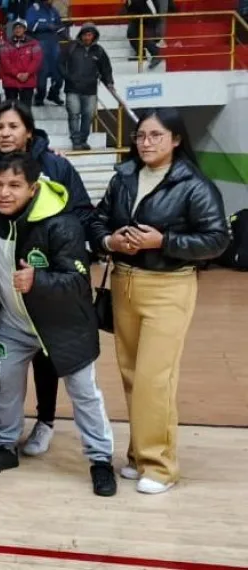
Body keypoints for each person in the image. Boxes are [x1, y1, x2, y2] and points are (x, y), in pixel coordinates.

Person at [91, 108, 229, 494]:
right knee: (133, 376)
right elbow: (99, 220)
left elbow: (217, 240)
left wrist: (163, 241)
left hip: (169, 286)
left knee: (155, 379)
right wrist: (109, 242)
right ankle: (139, 455)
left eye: (155, 135)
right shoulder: (125, 177)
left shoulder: (193, 184)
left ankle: (161, 465)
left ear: (176, 140)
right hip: (124, 283)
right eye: (140, 136)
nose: (146, 143)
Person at [0, 100, 93, 463]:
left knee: (49, 362)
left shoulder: (56, 165)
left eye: (13, 126)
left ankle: (46, 421)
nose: (5, 133)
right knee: (5, 368)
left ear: (28, 132)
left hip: (45, 288)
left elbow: (79, 213)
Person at [0, 153, 117, 498]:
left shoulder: (62, 224)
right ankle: (5, 447)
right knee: (6, 385)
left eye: (14, 186)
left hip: (64, 325)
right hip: (14, 323)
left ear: (33, 188)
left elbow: (78, 280)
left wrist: (38, 280)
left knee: (84, 392)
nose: (4, 193)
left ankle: (100, 461)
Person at [60, 23, 114, 151]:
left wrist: (110, 83)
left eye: (90, 35)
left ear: (94, 36)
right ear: (81, 34)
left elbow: (106, 69)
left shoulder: (99, 51)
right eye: (85, 34)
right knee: (73, 114)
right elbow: (60, 64)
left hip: (90, 90)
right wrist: (67, 77)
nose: (87, 37)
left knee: (88, 115)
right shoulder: (71, 47)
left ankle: (83, 140)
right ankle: (75, 141)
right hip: (72, 88)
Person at [26, 0, 64, 106]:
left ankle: (54, 93)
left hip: (54, 44)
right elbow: (30, 26)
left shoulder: (54, 10)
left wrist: (62, 30)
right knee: (42, 72)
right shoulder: (34, 8)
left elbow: (59, 26)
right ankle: (40, 96)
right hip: (40, 43)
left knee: (58, 73)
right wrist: (47, 26)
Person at [0, 19, 42, 106]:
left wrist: (27, 74)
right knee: (11, 110)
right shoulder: (6, 44)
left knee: (25, 111)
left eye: (20, 27)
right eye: (16, 28)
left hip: (28, 81)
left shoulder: (34, 44)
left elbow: (36, 60)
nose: (18, 30)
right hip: (10, 82)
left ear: (25, 29)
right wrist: (16, 74)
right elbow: (4, 61)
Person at [124, 0, 163, 70]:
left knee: (144, 37)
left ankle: (156, 55)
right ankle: (141, 54)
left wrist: (154, 17)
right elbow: (130, 8)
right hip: (136, 18)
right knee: (131, 34)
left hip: (147, 17)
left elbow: (152, 5)